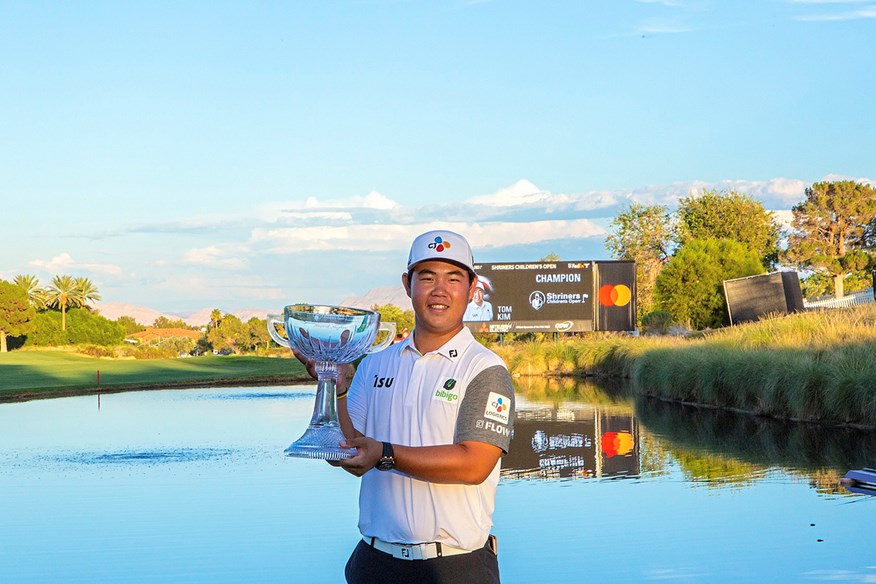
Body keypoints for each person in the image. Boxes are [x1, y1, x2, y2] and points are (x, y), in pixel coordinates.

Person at [296, 229, 515, 584]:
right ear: (407, 284)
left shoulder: (485, 368)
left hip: (454, 568)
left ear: (473, 288)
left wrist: (385, 453)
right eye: (426, 277)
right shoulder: (375, 364)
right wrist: (335, 388)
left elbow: (475, 463)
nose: (439, 290)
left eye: (453, 278)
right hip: (376, 564)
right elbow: (352, 456)